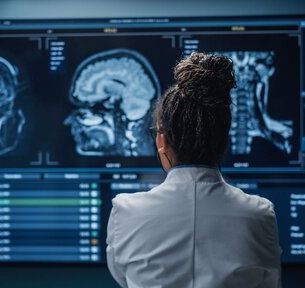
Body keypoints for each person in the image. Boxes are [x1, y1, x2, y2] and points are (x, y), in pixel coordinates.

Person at [106, 52, 282, 288]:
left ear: (162, 142)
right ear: (223, 139)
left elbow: (124, 278)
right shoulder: (260, 215)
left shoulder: (126, 212)